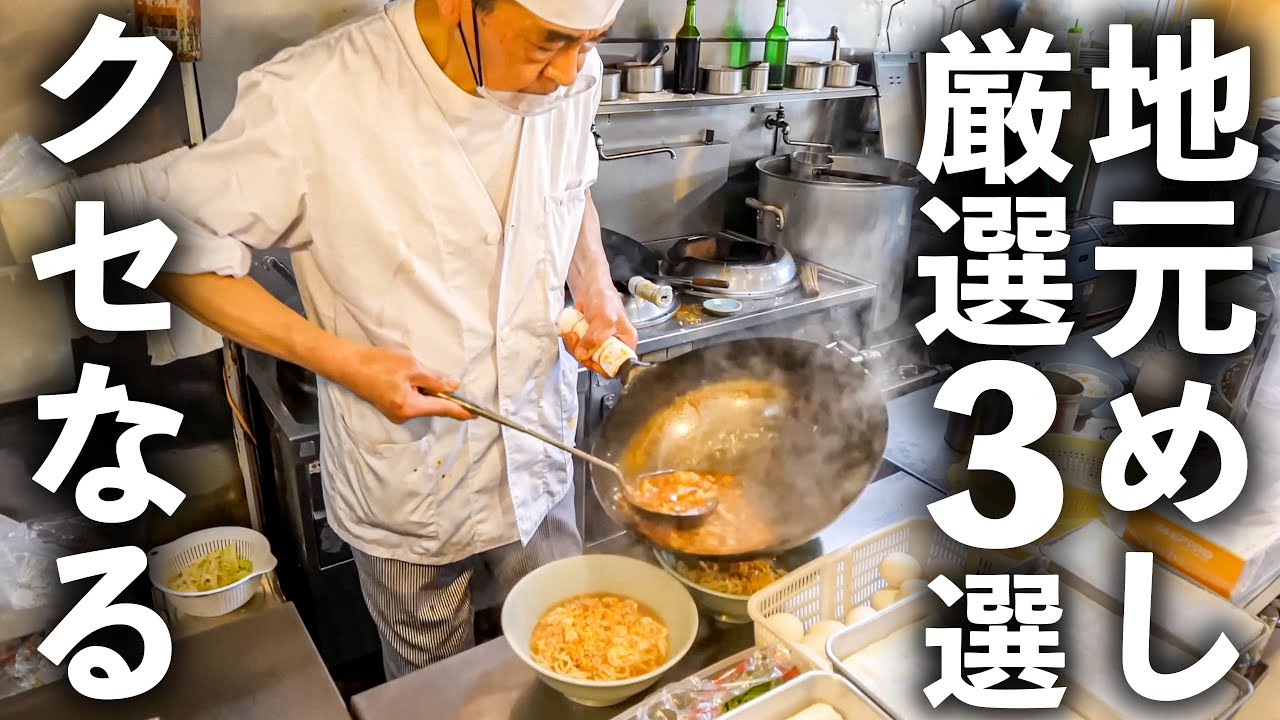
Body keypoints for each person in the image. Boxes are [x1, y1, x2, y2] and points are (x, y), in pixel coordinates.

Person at [43, 0, 635, 679]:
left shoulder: (573, 75)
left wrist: (596, 290)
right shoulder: (317, 97)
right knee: (426, 686)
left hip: (539, 449)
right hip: (412, 481)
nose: (569, 72)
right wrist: (346, 362)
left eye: (592, 42)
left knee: (576, 655)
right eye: (549, 43)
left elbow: (570, 185)